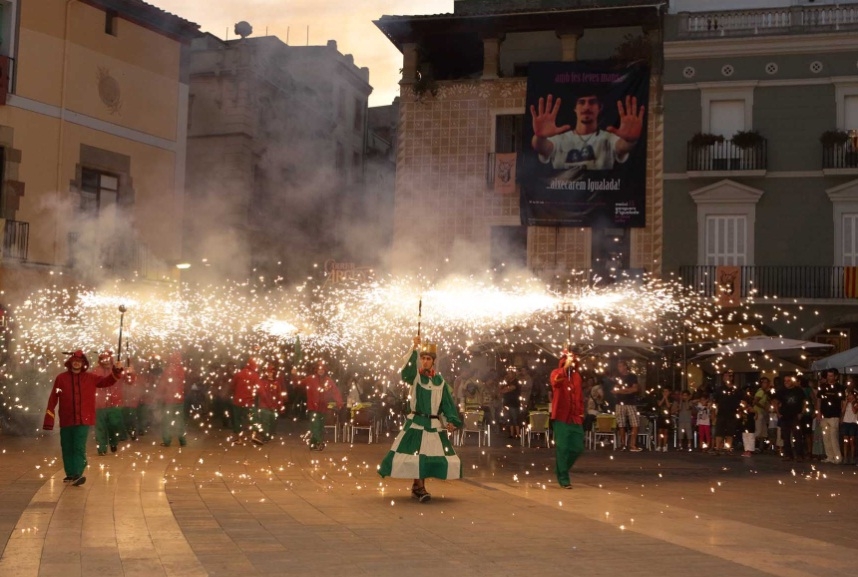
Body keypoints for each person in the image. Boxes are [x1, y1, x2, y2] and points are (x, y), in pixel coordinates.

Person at [378, 337, 462, 503]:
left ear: (433, 362)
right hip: (416, 422)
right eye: (422, 358)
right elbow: (406, 372)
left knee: (428, 456)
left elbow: (447, 403)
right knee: (416, 456)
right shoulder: (415, 378)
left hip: (433, 424)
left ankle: (418, 487)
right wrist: (414, 349)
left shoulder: (440, 382)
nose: (424, 361)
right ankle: (419, 488)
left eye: (428, 358)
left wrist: (451, 420)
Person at [42, 350, 124, 486]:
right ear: (70, 362)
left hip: (83, 420)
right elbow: (54, 397)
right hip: (67, 419)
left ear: (83, 363)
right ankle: (70, 474)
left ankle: (78, 473)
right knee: (67, 446)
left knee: (79, 446)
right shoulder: (61, 379)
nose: (76, 363)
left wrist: (116, 371)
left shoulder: (91, 378)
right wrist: (49, 418)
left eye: (79, 361)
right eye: (75, 361)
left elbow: (107, 382)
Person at [530, 91, 645, 172]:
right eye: (581, 102)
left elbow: (622, 147)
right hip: (563, 203)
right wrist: (539, 137)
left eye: (592, 102)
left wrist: (630, 141)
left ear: (600, 108)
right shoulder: (560, 139)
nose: (586, 107)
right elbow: (542, 147)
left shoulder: (609, 139)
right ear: (575, 108)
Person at [549, 351, 584, 489]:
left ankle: (560, 469)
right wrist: (564, 369)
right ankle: (563, 477)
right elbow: (555, 382)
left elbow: (579, 396)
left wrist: (581, 412)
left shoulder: (577, 377)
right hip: (561, 417)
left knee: (577, 448)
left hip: (575, 418)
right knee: (562, 448)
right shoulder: (556, 373)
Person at [302, 361, 343, 451]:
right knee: (316, 426)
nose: (321, 371)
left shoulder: (329, 381)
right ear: (316, 370)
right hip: (313, 408)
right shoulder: (310, 379)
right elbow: (300, 383)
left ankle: (313, 445)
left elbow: (335, 392)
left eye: (322, 369)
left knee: (319, 427)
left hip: (323, 408)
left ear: (325, 370)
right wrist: (294, 376)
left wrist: (339, 402)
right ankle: (320, 442)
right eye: (319, 369)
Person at [92, 350, 127, 455]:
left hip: (115, 403)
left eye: (107, 359)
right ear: (100, 360)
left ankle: (114, 442)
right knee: (100, 427)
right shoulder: (95, 371)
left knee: (114, 424)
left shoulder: (117, 369)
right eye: (103, 359)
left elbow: (129, 380)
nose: (106, 361)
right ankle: (101, 448)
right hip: (99, 404)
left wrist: (129, 371)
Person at [773, 375, 807, 462]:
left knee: (797, 436)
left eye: (788, 381)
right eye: (785, 381)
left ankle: (800, 455)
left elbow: (804, 402)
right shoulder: (781, 391)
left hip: (795, 415)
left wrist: (802, 412)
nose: (786, 383)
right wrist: (778, 413)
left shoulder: (798, 390)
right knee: (786, 436)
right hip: (785, 416)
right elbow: (775, 402)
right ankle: (788, 454)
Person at [158, 351, 187, 448]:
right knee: (179, 421)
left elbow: (162, 385)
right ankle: (182, 440)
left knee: (167, 421)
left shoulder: (168, 370)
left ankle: (167, 441)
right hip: (180, 399)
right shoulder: (182, 370)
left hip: (169, 400)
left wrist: (160, 395)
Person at [231, 357, 262, 445]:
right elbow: (259, 389)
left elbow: (232, 386)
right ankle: (254, 435)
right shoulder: (255, 375)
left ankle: (239, 439)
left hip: (237, 402)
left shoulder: (239, 374)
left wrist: (235, 394)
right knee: (253, 418)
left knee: (238, 420)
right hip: (249, 403)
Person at [613, 360, 642, 452]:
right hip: (620, 402)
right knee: (621, 424)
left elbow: (635, 389)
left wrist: (622, 390)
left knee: (635, 423)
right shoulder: (618, 377)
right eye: (618, 366)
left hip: (630, 402)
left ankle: (632, 444)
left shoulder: (632, 376)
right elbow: (615, 390)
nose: (619, 368)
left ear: (625, 366)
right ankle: (623, 444)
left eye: (621, 366)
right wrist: (626, 390)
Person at [816, 368, 844, 464]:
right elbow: (819, 399)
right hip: (824, 415)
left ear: (836, 377)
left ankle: (837, 457)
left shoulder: (840, 388)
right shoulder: (823, 386)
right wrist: (819, 412)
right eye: (828, 376)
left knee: (833, 437)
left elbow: (842, 402)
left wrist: (841, 415)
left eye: (831, 376)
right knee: (826, 437)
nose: (829, 378)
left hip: (834, 415)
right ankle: (829, 456)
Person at [712, 370, 743, 455]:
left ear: (731, 378)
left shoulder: (736, 389)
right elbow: (715, 401)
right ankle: (717, 448)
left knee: (730, 431)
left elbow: (740, 401)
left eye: (727, 376)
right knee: (719, 431)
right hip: (721, 413)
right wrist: (713, 412)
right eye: (724, 376)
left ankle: (728, 448)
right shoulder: (720, 389)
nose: (725, 378)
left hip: (732, 413)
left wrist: (740, 411)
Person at [257, 360, 286, 442]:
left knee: (272, 422)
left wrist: (281, 406)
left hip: (274, 406)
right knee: (265, 422)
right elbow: (262, 394)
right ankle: (266, 436)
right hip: (264, 406)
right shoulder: (262, 382)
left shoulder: (276, 383)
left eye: (271, 372)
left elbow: (279, 395)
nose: (270, 374)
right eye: (268, 372)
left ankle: (268, 434)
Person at [499, 366, 522, 439]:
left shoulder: (516, 382)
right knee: (509, 419)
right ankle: (512, 434)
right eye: (508, 373)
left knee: (515, 419)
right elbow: (501, 389)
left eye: (510, 373)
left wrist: (505, 389)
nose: (508, 375)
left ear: (513, 374)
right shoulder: (507, 382)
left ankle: (518, 434)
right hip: (507, 403)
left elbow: (508, 389)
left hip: (514, 403)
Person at [753, 377, 771, 452]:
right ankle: (750, 446)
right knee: (759, 431)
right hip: (759, 412)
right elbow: (755, 401)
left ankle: (761, 447)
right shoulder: (761, 392)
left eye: (767, 383)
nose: (766, 384)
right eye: (764, 382)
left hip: (763, 413)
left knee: (763, 431)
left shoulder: (765, 393)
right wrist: (763, 407)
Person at [841, 389, 857, 465]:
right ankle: (845, 457)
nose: (849, 396)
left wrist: (853, 403)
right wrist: (846, 403)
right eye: (848, 395)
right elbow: (842, 411)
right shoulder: (845, 402)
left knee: (852, 441)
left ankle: (852, 457)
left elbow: (854, 411)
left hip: (853, 423)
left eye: (851, 395)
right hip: (845, 422)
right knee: (845, 441)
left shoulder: (856, 403)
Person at [655, 387, 673, 452]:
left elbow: (668, 406)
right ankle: (659, 445)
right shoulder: (659, 398)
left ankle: (665, 445)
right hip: (660, 417)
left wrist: (666, 398)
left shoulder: (670, 399)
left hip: (667, 417)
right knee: (660, 431)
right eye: (664, 391)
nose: (665, 393)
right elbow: (659, 404)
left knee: (666, 431)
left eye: (666, 391)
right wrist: (663, 398)